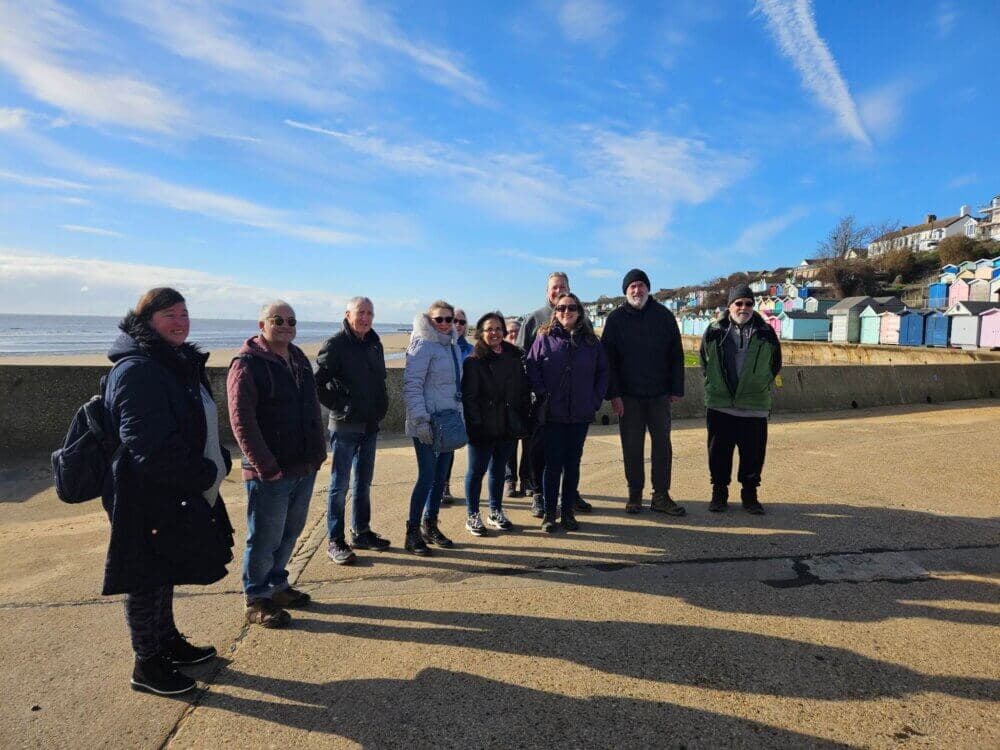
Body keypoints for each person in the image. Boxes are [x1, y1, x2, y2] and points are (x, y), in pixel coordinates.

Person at [102, 287, 235, 695]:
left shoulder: (173, 363)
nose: (179, 321)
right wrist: (203, 472)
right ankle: (147, 664)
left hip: (174, 488)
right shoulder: (138, 369)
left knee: (165, 571)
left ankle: (167, 641)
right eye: (168, 314)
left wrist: (214, 462)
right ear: (147, 321)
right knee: (145, 577)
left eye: (183, 312)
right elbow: (146, 444)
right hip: (145, 493)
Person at [227, 301, 327, 628]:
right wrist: (265, 466)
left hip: (302, 465)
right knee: (265, 536)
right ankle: (256, 597)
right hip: (270, 471)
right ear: (262, 324)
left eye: (291, 320)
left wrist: (318, 451)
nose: (285, 324)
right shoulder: (247, 364)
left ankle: (277, 585)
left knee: (290, 531)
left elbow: (312, 407)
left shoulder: (297, 358)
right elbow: (241, 421)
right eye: (277, 319)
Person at [602, 269, 686, 516]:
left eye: (640, 285)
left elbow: (676, 355)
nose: (636, 290)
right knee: (632, 446)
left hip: (659, 394)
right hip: (628, 396)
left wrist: (676, 388)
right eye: (632, 287)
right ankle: (634, 494)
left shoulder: (664, 316)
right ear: (626, 291)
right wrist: (614, 395)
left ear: (648, 288)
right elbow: (608, 361)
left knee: (662, 445)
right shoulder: (616, 319)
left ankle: (661, 495)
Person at [315, 297, 391, 565]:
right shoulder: (335, 344)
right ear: (348, 314)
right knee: (339, 485)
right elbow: (319, 383)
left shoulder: (374, 343)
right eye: (361, 312)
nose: (365, 317)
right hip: (345, 425)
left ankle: (361, 531)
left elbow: (378, 381)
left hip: (370, 424)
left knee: (363, 483)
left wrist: (381, 406)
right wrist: (342, 403)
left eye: (370, 312)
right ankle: (335, 540)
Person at [526, 293, 608, 532]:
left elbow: (603, 373)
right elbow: (532, 367)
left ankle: (568, 512)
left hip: (580, 414)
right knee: (552, 465)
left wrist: (593, 400)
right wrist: (542, 393)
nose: (566, 311)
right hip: (553, 414)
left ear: (579, 311)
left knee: (572, 464)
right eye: (561, 308)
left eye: (571, 307)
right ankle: (550, 514)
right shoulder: (544, 338)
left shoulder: (592, 342)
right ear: (555, 311)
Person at [699, 284, 782, 515]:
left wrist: (761, 382)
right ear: (730, 306)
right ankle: (719, 494)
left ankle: (750, 495)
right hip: (720, 405)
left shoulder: (766, 332)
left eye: (748, 303)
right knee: (718, 453)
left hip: (754, 406)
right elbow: (704, 360)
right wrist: (714, 382)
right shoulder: (714, 330)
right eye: (739, 303)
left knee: (753, 455)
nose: (743, 307)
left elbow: (775, 364)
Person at [516, 272, 592, 517]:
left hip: (571, 404)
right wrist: (533, 392)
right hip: (540, 402)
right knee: (538, 451)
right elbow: (522, 357)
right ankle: (538, 494)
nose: (558, 290)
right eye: (554, 287)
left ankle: (570, 494)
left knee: (570, 454)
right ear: (547, 291)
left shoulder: (583, 321)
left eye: (562, 286)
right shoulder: (533, 319)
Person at [402, 300, 465, 554]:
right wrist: (420, 420)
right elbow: (412, 386)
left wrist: (458, 416)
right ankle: (412, 531)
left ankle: (431, 524)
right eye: (439, 319)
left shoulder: (452, 347)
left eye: (449, 319)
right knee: (426, 476)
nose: (445, 323)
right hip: (427, 422)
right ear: (429, 320)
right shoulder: (422, 345)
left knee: (441, 477)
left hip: (448, 421)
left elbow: (455, 388)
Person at [461, 312, 530, 535]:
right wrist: (476, 427)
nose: (495, 333)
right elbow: (469, 398)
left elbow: (521, 391)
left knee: (498, 471)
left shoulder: (514, 357)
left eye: (498, 328)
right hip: (482, 428)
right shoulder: (473, 361)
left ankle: (495, 511)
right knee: (475, 471)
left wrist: (520, 418)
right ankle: (472, 515)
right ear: (481, 333)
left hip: (507, 425)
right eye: (489, 329)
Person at [440, 308, 473, 504]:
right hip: (441, 404)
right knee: (437, 450)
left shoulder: (470, 350)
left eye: (462, 322)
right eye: (454, 321)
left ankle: (445, 485)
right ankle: (437, 487)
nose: (458, 325)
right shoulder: (439, 346)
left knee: (450, 448)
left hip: (462, 406)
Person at [503, 318, 529, 498]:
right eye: (510, 331)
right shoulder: (499, 355)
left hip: (527, 406)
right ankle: (509, 480)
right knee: (509, 447)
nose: (513, 334)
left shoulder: (527, 353)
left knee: (529, 446)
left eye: (516, 331)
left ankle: (526, 479)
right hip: (506, 408)